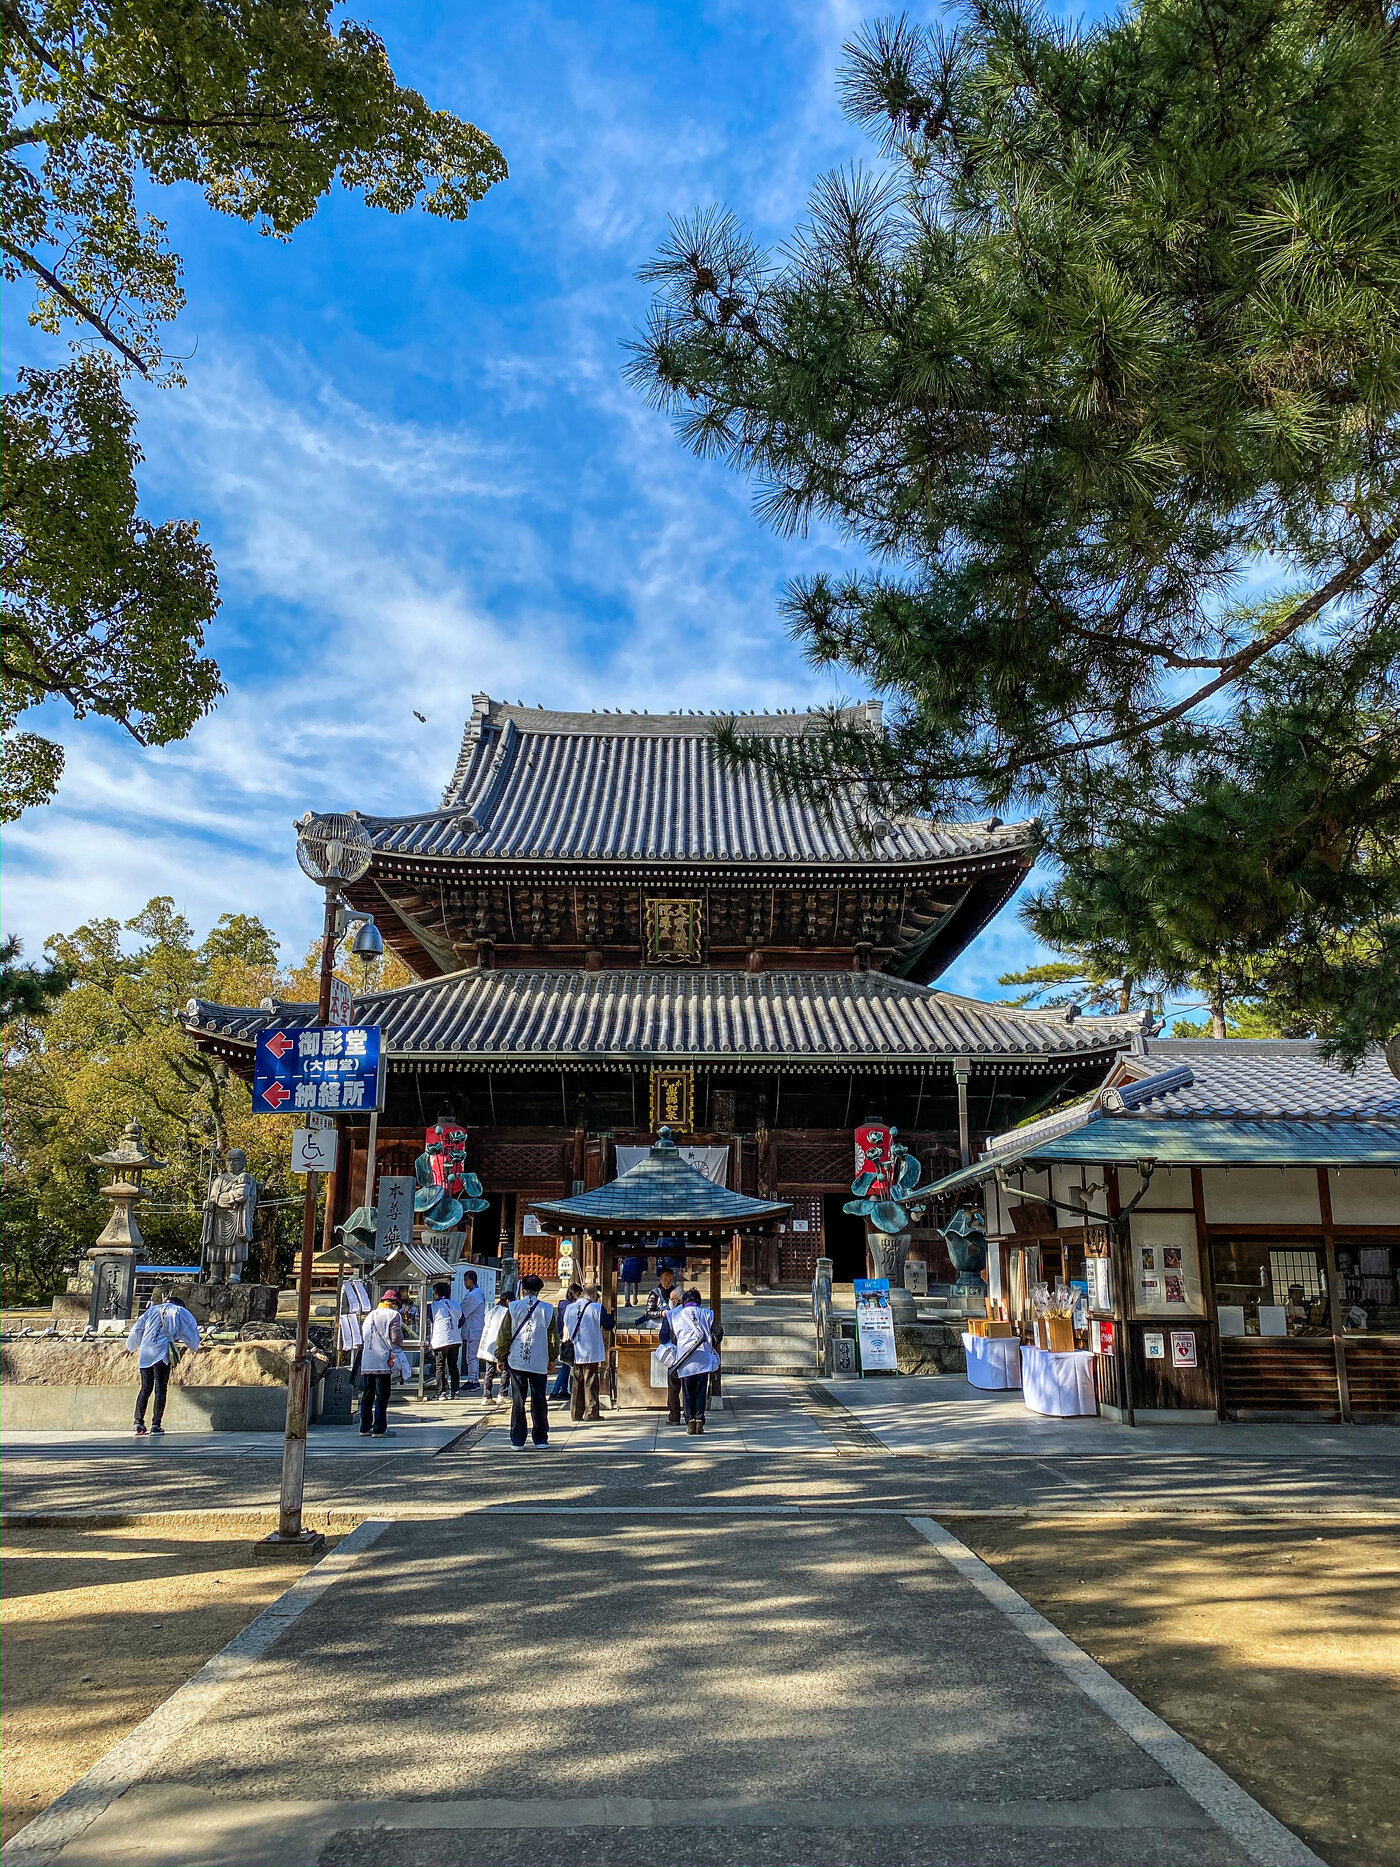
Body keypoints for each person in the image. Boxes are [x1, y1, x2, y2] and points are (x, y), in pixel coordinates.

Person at [125, 1285, 200, 1436]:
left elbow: (137, 1329)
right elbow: (190, 1330)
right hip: (162, 1353)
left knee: (145, 1388)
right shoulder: (179, 1311)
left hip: (145, 1352)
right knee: (160, 1388)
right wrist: (194, 1346)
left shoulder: (152, 1310)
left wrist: (130, 1347)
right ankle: (156, 1424)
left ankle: (138, 1423)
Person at [496, 1273, 558, 1449]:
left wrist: (501, 1356)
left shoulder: (513, 1307)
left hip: (517, 1360)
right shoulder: (547, 1309)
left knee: (518, 1399)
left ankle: (517, 1440)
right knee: (539, 1398)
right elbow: (553, 1337)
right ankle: (540, 1438)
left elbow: (505, 1334)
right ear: (539, 1290)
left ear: (523, 1289)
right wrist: (552, 1357)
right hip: (539, 1359)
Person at [660, 1287, 722, 1434]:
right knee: (700, 1390)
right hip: (703, 1358)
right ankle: (699, 1419)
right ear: (699, 1301)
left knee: (688, 1392)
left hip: (684, 1359)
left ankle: (690, 1420)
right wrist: (711, 1344)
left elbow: (663, 1337)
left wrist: (676, 1346)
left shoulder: (675, 1315)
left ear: (684, 1302)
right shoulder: (707, 1314)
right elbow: (718, 1333)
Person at [563, 1282, 613, 1423]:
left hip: (576, 1349)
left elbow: (566, 1325)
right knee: (590, 1381)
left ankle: (576, 1413)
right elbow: (608, 1324)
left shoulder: (569, 1308)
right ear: (594, 1295)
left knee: (577, 1381)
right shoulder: (596, 1307)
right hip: (590, 1349)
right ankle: (591, 1412)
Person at [358, 1289, 404, 1437]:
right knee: (382, 1395)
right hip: (383, 1360)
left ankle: (364, 1427)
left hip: (367, 1359)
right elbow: (396, 1338)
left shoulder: (370, 1315)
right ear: (395, 1304)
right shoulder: (393, 1315)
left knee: (367, 1394)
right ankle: (380, 1428)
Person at [428, 1280, 464, 1399]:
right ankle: (455, 1392)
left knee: (440, 1366)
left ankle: (441, 1392)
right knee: (453, 1366)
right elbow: (461, 1321)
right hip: (455, 1339)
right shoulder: (455, 1304)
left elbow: (430, 1320)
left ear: (437, 1294)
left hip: (441, 1339)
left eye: (434, 1293)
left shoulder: (433, 1306)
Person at [550, 1282, 583, 1400]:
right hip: (568, 1338)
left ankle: (563, 1390)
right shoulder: (569, 1307)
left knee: (567, 1364)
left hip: (563, 1337)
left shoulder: (563, 1305)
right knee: (566, 1365)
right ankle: (555, 1391)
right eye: (579, 1294)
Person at [478, 1286, 512, 1401]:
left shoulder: (492, 1310)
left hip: (488, 1343)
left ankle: (486, 1396)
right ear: (508, 1301)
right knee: (505, 1369)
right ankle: (503, 1393)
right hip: (499, 1343)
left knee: (490, 1371)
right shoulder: (507, 1312)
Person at [458, 1269, 486, 1394]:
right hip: (475, 1328)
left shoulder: (474, 1295)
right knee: (473, 1356)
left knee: (472, 1356)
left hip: (473, 1329)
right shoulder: (477, 1293)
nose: (465, 1283)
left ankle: (473, 1380)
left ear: (470, 1280)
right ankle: (473, 1379)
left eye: (466, 1280)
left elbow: (463, 1310)